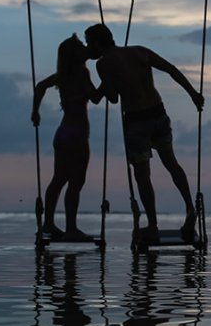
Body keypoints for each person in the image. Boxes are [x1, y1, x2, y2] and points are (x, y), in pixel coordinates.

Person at [84, 23, 204, 242]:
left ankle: (153, 225)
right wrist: (193, 94)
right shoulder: (140, 51)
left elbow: (113, 98)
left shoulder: (103, 64)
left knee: (142, 176)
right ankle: (189, 209)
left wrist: (104, 84)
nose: (87, 47)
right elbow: (171, 69)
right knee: (171, 163)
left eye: (88, 43)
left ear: (97, 43)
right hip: (158, 113)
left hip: (137, 121)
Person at [32, 34, 103, 239]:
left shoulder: (62, 75)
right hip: (77, 134)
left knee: (59, 179)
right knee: (76, 181)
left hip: (62, 133)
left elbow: (40, 86)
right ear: (75, 55)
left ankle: (49, 224)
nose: (84, 49)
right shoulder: (81, 73)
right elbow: (96, 98)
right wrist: (109, 82)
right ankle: (71, 228)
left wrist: (35, 111)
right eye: (81, 47)